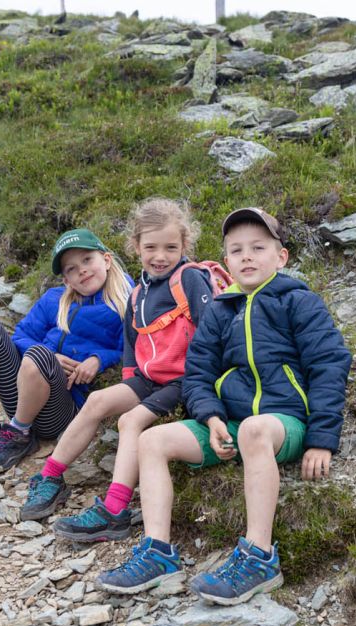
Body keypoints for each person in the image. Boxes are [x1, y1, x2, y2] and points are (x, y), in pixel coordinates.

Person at [95, 207, 352, 605]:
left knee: (253, 429)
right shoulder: (220, 310)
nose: (247, 256)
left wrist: (321, 439)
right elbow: (197, 374)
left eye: (258, 247)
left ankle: (259, 557)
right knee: (151, 441)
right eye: (236, 250)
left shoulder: (299, 301)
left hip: (284, 422)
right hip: (230, 425)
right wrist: (211, 417)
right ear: (226, 261)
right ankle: (157, 552)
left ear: (280, 257)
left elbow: (329, 365)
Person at [20, 198, 214, 541]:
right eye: (151, 247)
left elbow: (211, 332)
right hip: (148, 378)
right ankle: (50, 475)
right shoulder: (138, 292)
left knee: (130, 420)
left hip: (187, 378)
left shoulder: (191, 279)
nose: (160, 256)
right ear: (135, 247)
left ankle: (115, 511)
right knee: (97, 402)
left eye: (171, 247)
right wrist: (128, 385)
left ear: (185, 245)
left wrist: (202, 388)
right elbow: (130, 345)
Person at [0, 229, 132, 473]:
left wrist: (99, 358)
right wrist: (49, 356)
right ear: (66, 280)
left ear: (106, 260)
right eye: (71, 269)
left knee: (38, 356)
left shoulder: (126, 302)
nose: (82, 270)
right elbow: (21, 335)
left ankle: (19, 435)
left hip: (61, 409)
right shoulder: (54, 299)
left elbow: (131, 351)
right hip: (24, 393)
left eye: (87, 260)